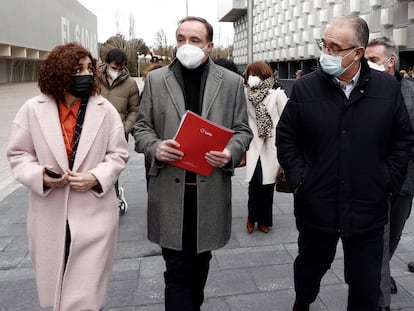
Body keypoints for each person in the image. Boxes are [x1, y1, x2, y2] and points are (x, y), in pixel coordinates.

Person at [276, 16, 414, 311]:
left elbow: (402, 138)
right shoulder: (305, 88)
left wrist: (387, 180)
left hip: (368, 210)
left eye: (335, 47)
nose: (325, 52)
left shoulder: (387, 89)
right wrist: (302, 179)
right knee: (308, 274)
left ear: (358, 53)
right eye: (323, 44)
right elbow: (286, 137)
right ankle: (303, 303)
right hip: (317, 206)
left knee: (365, 288)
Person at [133, 16, 252, 311]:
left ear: (209, 46)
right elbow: (141, 128)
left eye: (195, 40)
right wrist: (156, 147)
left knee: (199, 269)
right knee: (176, 272)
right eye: (181, 39)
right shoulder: (157, 80)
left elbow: (243, 130)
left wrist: (230, 153)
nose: (186, 46)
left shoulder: (232, 83)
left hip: (208, 193)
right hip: (169, 194)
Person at [7, 42, 129, 311]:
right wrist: (41, 177)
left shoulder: (105, 110)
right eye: (77, 69)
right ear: (59, 72)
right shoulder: (32, 109)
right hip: (49, 213)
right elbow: (18, 155)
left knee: (85, 295)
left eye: (89, 68)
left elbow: (118, 154)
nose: (86, 75)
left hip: (94, 214)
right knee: (54, 292)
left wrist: (96, 177)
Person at [365, 36, 414, 311]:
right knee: (378, 241)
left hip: (405, 181)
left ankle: (380, 273)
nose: (367, 65)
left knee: (393, 235)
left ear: (390, 62)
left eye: (372, 60)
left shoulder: (411, 92)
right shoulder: (363, 91)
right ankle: (380, 300)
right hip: (373, 182)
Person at [244, 61, 288, 233]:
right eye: (250, 74)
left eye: (255, 74)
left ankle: (264, 220)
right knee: (254, 183)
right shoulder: (245, 93)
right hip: (254, 143)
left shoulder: (277, 94)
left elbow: (286, 119)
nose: (252, 77)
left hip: (272, 144)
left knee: (267, 185)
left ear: (264, 74)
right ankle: (251, 217)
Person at [99, 47, 140, 214]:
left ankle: (115, 196)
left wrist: (125, 128)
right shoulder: (94, 79)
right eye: (114, 68)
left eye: (121, 68)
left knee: (113, 168)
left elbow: (135, 110)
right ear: (107, 63)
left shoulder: (130, 84)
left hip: (117, 133)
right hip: (95, 132)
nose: (117, 71)